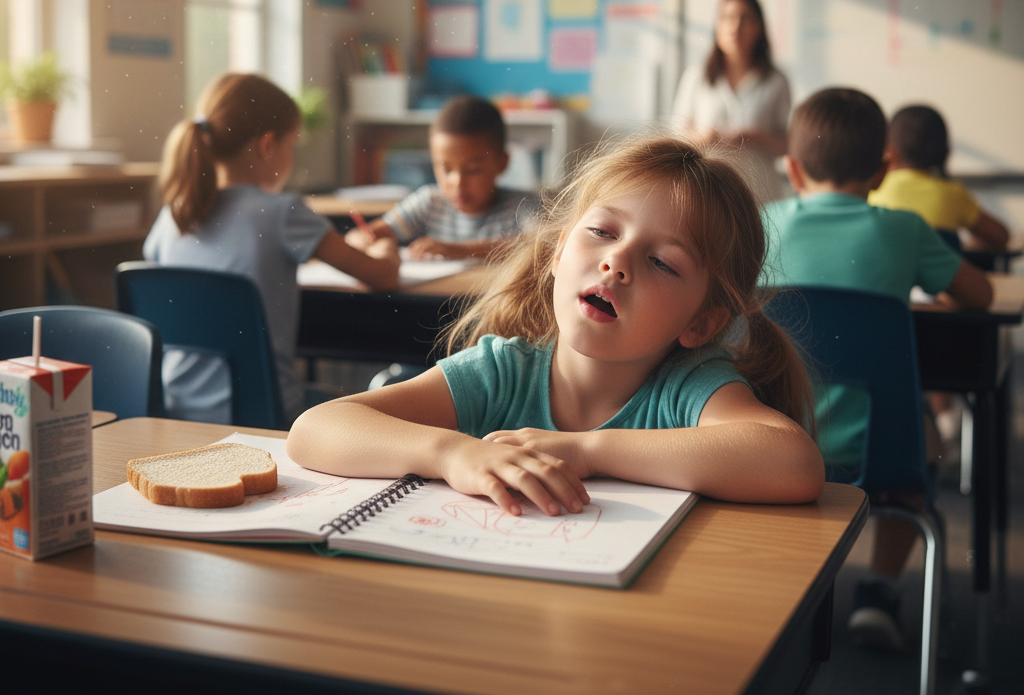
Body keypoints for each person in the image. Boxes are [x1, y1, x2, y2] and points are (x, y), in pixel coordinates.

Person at [288, 133, 825, 517]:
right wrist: (453, 453)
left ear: (702, 323)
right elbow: (316, 429)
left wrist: (586, 450)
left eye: (662, 261)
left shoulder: (688, 387)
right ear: (556, 253)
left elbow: (793, 463)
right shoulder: (501, 371)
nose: (616, 262)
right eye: (600, 231)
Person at [761, 87, 993, 652]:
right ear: (882, 168)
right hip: (883, 454)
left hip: (769, 447)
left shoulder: (760, 224)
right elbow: (980, 294)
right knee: (926, 446)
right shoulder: (904, 228)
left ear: (791, 169)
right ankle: (879, 591)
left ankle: (787, 589)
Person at [145, 72, 400, 421]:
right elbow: (382, 277)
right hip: (265, 414)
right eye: (292, 144)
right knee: (368, 411)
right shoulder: (281, 213)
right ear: (268, 145)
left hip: (176, 415)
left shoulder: (170, 218)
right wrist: (386, 247)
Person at [348, 95, 536, 261]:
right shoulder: (430, 202)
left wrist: (458, 250)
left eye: (473, 170)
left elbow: (537, 245)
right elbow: (362, 235)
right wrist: (363, 240)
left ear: (502, 163)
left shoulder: (523, 206)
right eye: (446, 169)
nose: (457, 182)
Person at [671, 0, 791, 202]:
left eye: (745, 19)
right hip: (708, 190)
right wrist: (705, 137)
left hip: (761, 194)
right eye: (727, 17)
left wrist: (752, 137)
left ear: (759, 27)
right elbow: (676, 137)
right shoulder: (696, 77)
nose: (735, 27)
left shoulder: (776, 81)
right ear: (717, 26)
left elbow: (787, 145)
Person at [869, 104, 1010, 250]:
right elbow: (1001, 236)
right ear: (944, 151)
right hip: (944, 272)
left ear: (889, 151)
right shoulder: (953, 194)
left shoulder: (875, 188)